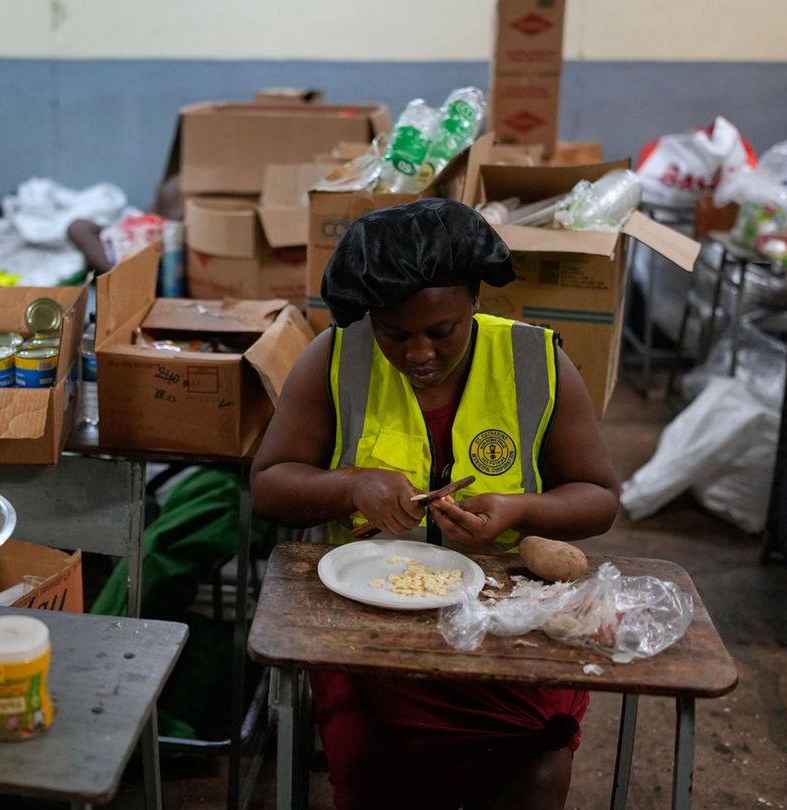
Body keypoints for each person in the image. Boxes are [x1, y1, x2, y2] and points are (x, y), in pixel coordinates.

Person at [251, 199, 620, 810]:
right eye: (395, 334)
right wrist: (350, 485)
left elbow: (599, 498)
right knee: (374, 771)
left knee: (537, 768)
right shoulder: (337, 358)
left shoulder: (534, 360)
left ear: (474, 301)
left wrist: (519, 510)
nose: (419, 353)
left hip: (505, 621)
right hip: (366, 625)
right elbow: (269, 485)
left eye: (442, 331)